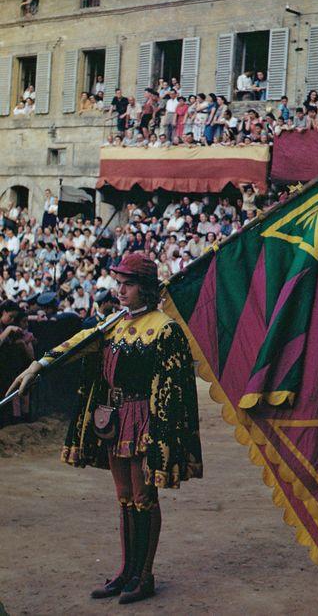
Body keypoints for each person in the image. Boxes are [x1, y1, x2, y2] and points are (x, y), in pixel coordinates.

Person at [6, 253, 203, 604]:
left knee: (144, 497)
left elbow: (173, 391)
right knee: (125, 497)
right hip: (114, 420)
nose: (120, 290)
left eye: (128, 284)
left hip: (145, 420)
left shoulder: (165, 328)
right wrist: (37, 366)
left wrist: (162, 435)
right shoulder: (114, 323)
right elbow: (77, 345)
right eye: (119, 284)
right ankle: (126, 572)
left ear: (145, 289)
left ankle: (144, 576)